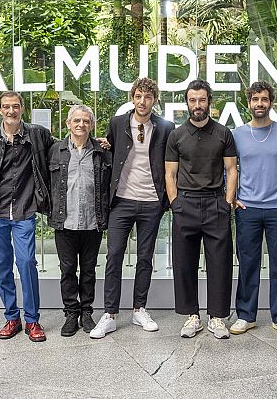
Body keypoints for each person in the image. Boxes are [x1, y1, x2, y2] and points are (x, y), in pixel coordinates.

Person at [91, 78, 174, 339]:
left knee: (145, 258)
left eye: (148, 97)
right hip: (122, 201)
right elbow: (112, 153)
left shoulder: (165, 127)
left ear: (155, 100)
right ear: (132, 97)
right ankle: (110, 314)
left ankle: (139, 309)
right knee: (114, 256)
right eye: (138, 96)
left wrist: (166, 201)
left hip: (151, 202)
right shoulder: (118, 123)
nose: (142, 101)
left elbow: (171, 164)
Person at [229, 81, 277, 337]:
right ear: (248, 103)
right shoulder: (237, 134)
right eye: (254, 99)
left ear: (271, 102)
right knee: (248, 263)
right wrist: (232, 198)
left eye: (264, 99)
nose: (259, 104)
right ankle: (245, 316)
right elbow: (226, 168)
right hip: (247, 209)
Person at [165, 79, 238, 340]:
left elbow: (231, 169)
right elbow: (169, 173)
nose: (197, 105)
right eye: (193, 100)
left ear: (210, 102)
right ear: (187, 102)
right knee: (184, 263)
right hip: (186, 204)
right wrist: (175, 203)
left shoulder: (223, 133)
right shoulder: (176, 135)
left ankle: (217, 317)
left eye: (202, 100)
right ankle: (191, 316)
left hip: (215, 204)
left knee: (220, 263)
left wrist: (227, 202)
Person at [0, 91, 53, 343]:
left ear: (22, 108)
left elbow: (60, 150)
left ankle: (32, 320)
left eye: (15, 106)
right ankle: (12, 317)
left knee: (26, 263)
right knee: (2, 267)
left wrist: (94, 142)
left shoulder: (37, 134)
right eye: (6, 107)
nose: (11, 111)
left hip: (24, 211)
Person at [48, 105, 112, 337]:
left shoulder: (102, 151)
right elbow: (46, 182)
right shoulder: (56, 150)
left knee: (88, 270)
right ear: (68, 123)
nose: (81, 125)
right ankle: (70, 313)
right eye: (76, 120)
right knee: (67, 270)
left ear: (91, 125)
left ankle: (86, 312)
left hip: (92, 222)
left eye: (86, 121)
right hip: (65, 222)